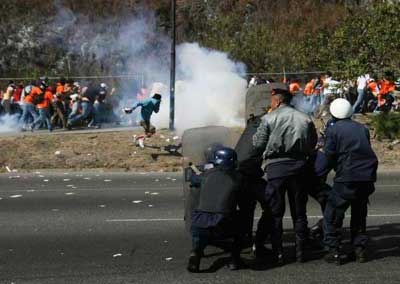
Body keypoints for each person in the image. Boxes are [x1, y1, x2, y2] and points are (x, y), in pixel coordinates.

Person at [253, 88, 318, 264]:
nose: (271, 103)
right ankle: (300, 252)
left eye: (272, 100)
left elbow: (258, 144)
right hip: (299, 168)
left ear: (278, 101)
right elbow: (313, 142)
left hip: (276, 169)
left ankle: (278, 253)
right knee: (299, 213)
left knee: (275, 213)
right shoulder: (304, 118)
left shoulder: (268, 118)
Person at [323, 98, 378, 265]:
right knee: (359, 214)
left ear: (333, 113)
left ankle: (333, 250)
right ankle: (359, 249)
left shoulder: (333, 130)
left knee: (333, 214)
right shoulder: (362, 128)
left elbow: (329, 155)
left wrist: (326, 169)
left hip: (347, 176)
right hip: (366, 176)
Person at [187, 147, 244, 272]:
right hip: (223, 222)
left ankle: (195, 253)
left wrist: (200, 174)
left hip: (199, 222)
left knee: (199, 233)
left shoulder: (205, 175)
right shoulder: (238, 177)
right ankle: (234, 259)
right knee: (242, 222)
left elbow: (192, 178)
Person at [235, 114, 272, 259]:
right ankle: (258, 244)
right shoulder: (263, 128)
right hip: (249, 176)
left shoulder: (251, 127)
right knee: (271, 205)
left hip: (241, 176)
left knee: (246, 211)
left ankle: (244, 244)